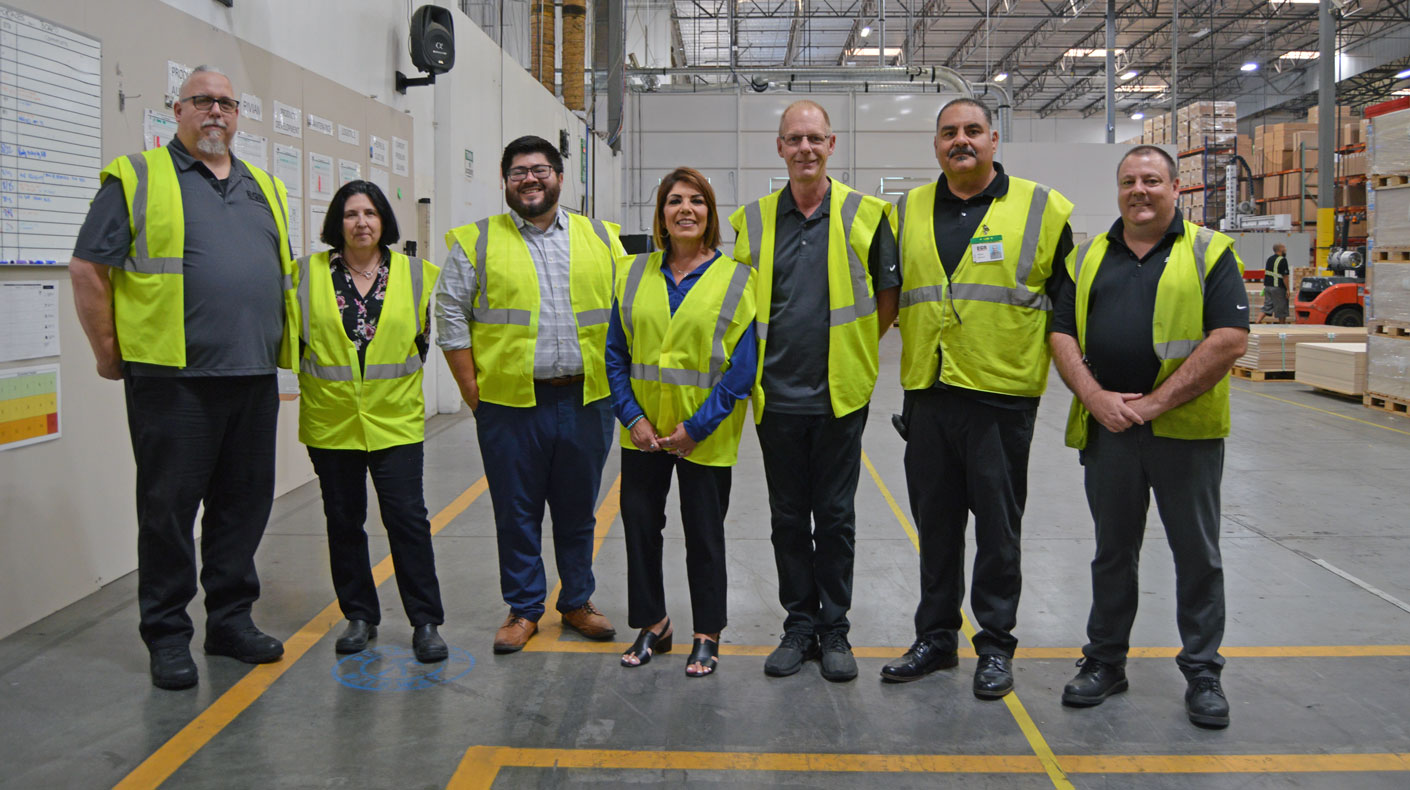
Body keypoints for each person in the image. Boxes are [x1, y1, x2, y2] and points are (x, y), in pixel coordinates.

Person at [69, 66, 297, 690]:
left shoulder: (265, 187)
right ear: (177, 109)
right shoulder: (138, 176)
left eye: (226, 102)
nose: (216, 112)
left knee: (242, 507)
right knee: (168, 511)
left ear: (238, 113)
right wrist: (108, 351)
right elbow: (89, 268)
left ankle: (229, 622)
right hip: (173, 379)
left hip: (251, 374)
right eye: (203, 101)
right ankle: (168, 636)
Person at [1049, 145, 1249, 729]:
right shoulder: (1087, 258)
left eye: (1152, 180)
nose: (1140, 190)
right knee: (1113, 552)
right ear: (1118, 190)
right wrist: (1095, 397)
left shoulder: (1210, 251)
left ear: (1176, 188)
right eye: (1129, 181)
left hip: (1185, 432)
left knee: (1197, 553)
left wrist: (1156, 404)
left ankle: (1203, 671)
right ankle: (1105, 661)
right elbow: (1059, 333)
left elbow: (1230, 338)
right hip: (1108, 429)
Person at [883, 97, 1075, 700]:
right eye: (948, 133)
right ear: (935, 145)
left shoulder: (1043, 209)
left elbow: (1069, 305)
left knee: (998, 531)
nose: (960, 141)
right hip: (929, 395)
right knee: (934, 530)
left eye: (972, 131)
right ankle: (936, 639)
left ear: (994, 139)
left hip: (1001, 400)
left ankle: (995, 646)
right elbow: (886, 297)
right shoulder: (906, 210)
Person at [730, 100, 899, 683]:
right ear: (779, 149)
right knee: (784, 518)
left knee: (834, 517)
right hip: (773, 396)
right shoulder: (750, 220)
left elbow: (887, 298)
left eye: (814, 138)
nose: (804, 148)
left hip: (839, 395)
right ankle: (797, 624)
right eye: (793, 139)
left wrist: (853, 348)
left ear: (832, 145)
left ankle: (835, 629)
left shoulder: (868, 214)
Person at [436, 135, 626, 654]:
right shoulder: (476, 241)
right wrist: (472, 389)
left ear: (560, 178)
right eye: (518, 171)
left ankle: (577, 601)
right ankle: (524, 608)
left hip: (587, 401)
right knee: (516, 510)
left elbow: (628, 310)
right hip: (509, 405)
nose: (530, 179)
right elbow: (449, 314)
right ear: (505, 181)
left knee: (577, 509)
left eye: (540, 169)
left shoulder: (601, 237)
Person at [608, 167, 757, 678]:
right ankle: (655, 623)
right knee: (641, 527)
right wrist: (632, 417)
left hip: (705, 437)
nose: (685, 209)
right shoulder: (632, 273)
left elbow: (743, 367)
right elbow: (614, 355)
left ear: (710, 214)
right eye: (674, 201)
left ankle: (707, 633)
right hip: (644, 434)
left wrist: (699, 427)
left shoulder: (738, 277)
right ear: (661, 215)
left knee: (704, 533)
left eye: (697, 200)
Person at [295, 181, 447, 663]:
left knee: (407, 520)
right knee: (343, 520)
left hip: (395, 420)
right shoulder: (304, 274)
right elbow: (294, 340)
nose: (361, 222)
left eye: (370, 213)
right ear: (336, 223)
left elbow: (423, 341)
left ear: (384, 220)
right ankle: (359, 615)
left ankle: (425, 622)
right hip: (331, 421)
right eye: (350, 214)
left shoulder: (418, 274)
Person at [1260, 243, 1290, 323]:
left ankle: (1257, 322)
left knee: (1267, 307)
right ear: (1280, 249)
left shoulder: (1269, 259)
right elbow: (1285, 276)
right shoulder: (1282, 260)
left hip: (1268, 287)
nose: (1285, 249)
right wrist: (1288, 289)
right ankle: (1282, 328)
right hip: (1278, 288)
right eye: (1284, 248)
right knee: (1282, 310)